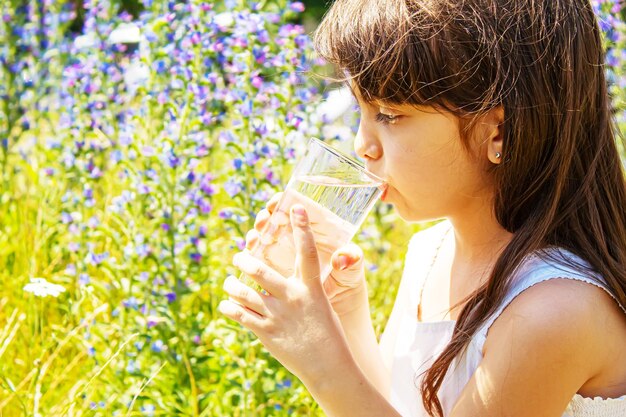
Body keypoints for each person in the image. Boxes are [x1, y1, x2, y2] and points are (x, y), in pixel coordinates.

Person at [218, 0, 626, 415]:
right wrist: (347, 312)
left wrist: (322, 364)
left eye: (390, 115)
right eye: (361, 110)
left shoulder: (553, 312)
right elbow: (396, 406)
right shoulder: (431, 251)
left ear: (498, 132)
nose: (362, 145)